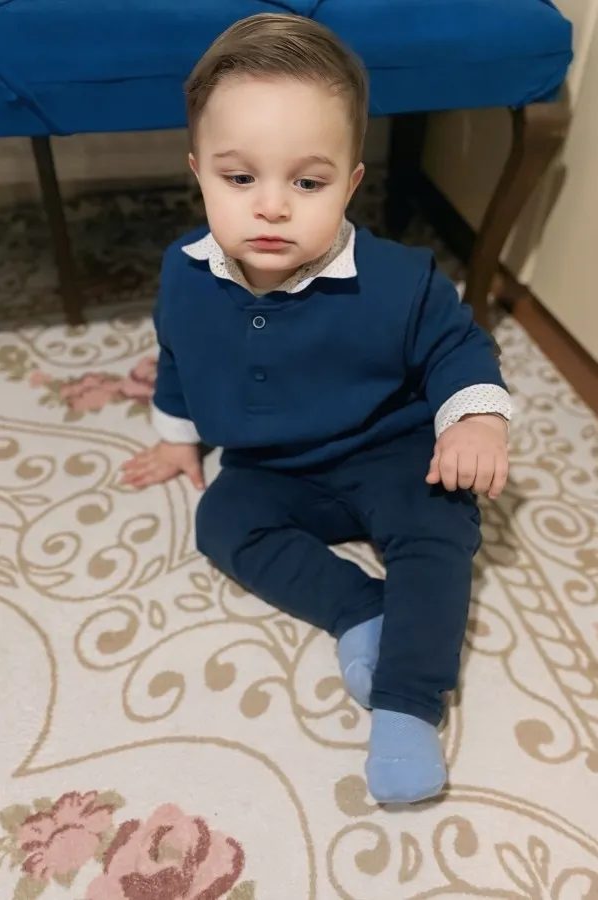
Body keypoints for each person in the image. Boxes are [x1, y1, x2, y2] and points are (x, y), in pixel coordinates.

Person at [121, 12, 511, 804]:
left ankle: (407, 704)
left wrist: (474, 420)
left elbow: (458, 348)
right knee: (221, 521)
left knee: (441, 525)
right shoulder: (184, 273)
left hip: (390, 450)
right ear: (198, 173)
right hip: (271, 466)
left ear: (351, 182)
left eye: (307, 183)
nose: (271, 207)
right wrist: (176, 437)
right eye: (240, 179)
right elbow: (179, 355)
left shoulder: (399, 278)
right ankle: (359, 613)